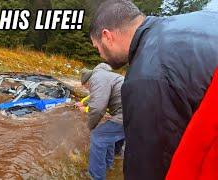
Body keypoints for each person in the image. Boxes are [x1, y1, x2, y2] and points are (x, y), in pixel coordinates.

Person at [89, 0, 218, 179]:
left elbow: (148, 167)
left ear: (107, 36)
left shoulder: (146, 77)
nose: (101, 56)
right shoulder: (198, 20)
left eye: (97, 48)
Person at [76, 63, 125, 180]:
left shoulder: (97, 78)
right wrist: (83, 103)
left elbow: (97, 109)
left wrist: (90, 127)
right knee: (109, 135)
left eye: (85, 87)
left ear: (87, 81)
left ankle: (95, 176)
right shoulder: (104, 76)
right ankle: (110, 164)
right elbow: (95, 97)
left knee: (98, 136)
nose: (87, 89)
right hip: (134, 112)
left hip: (128, 114)